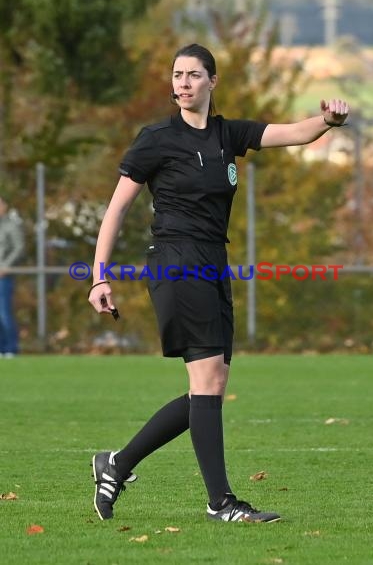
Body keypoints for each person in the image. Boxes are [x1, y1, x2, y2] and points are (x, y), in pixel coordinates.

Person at [88, 43, 349, 523]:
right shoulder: (155, 139)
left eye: (193, 74)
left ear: (212, 82)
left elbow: (294, 133)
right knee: (207, 381)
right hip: (173, 263)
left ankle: (116, 464)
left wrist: (328, 122)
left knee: (208, 388)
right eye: (177, 75)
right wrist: (98, 276)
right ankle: (221, 503)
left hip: (212, 264)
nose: (183, 83)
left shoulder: (229, 134)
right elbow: (116, 209)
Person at [0, 194, 25, 358]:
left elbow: (19, 247)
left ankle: (11, 348)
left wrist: (5, 266)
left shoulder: (11, 225)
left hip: (3, 276)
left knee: (4, 312)